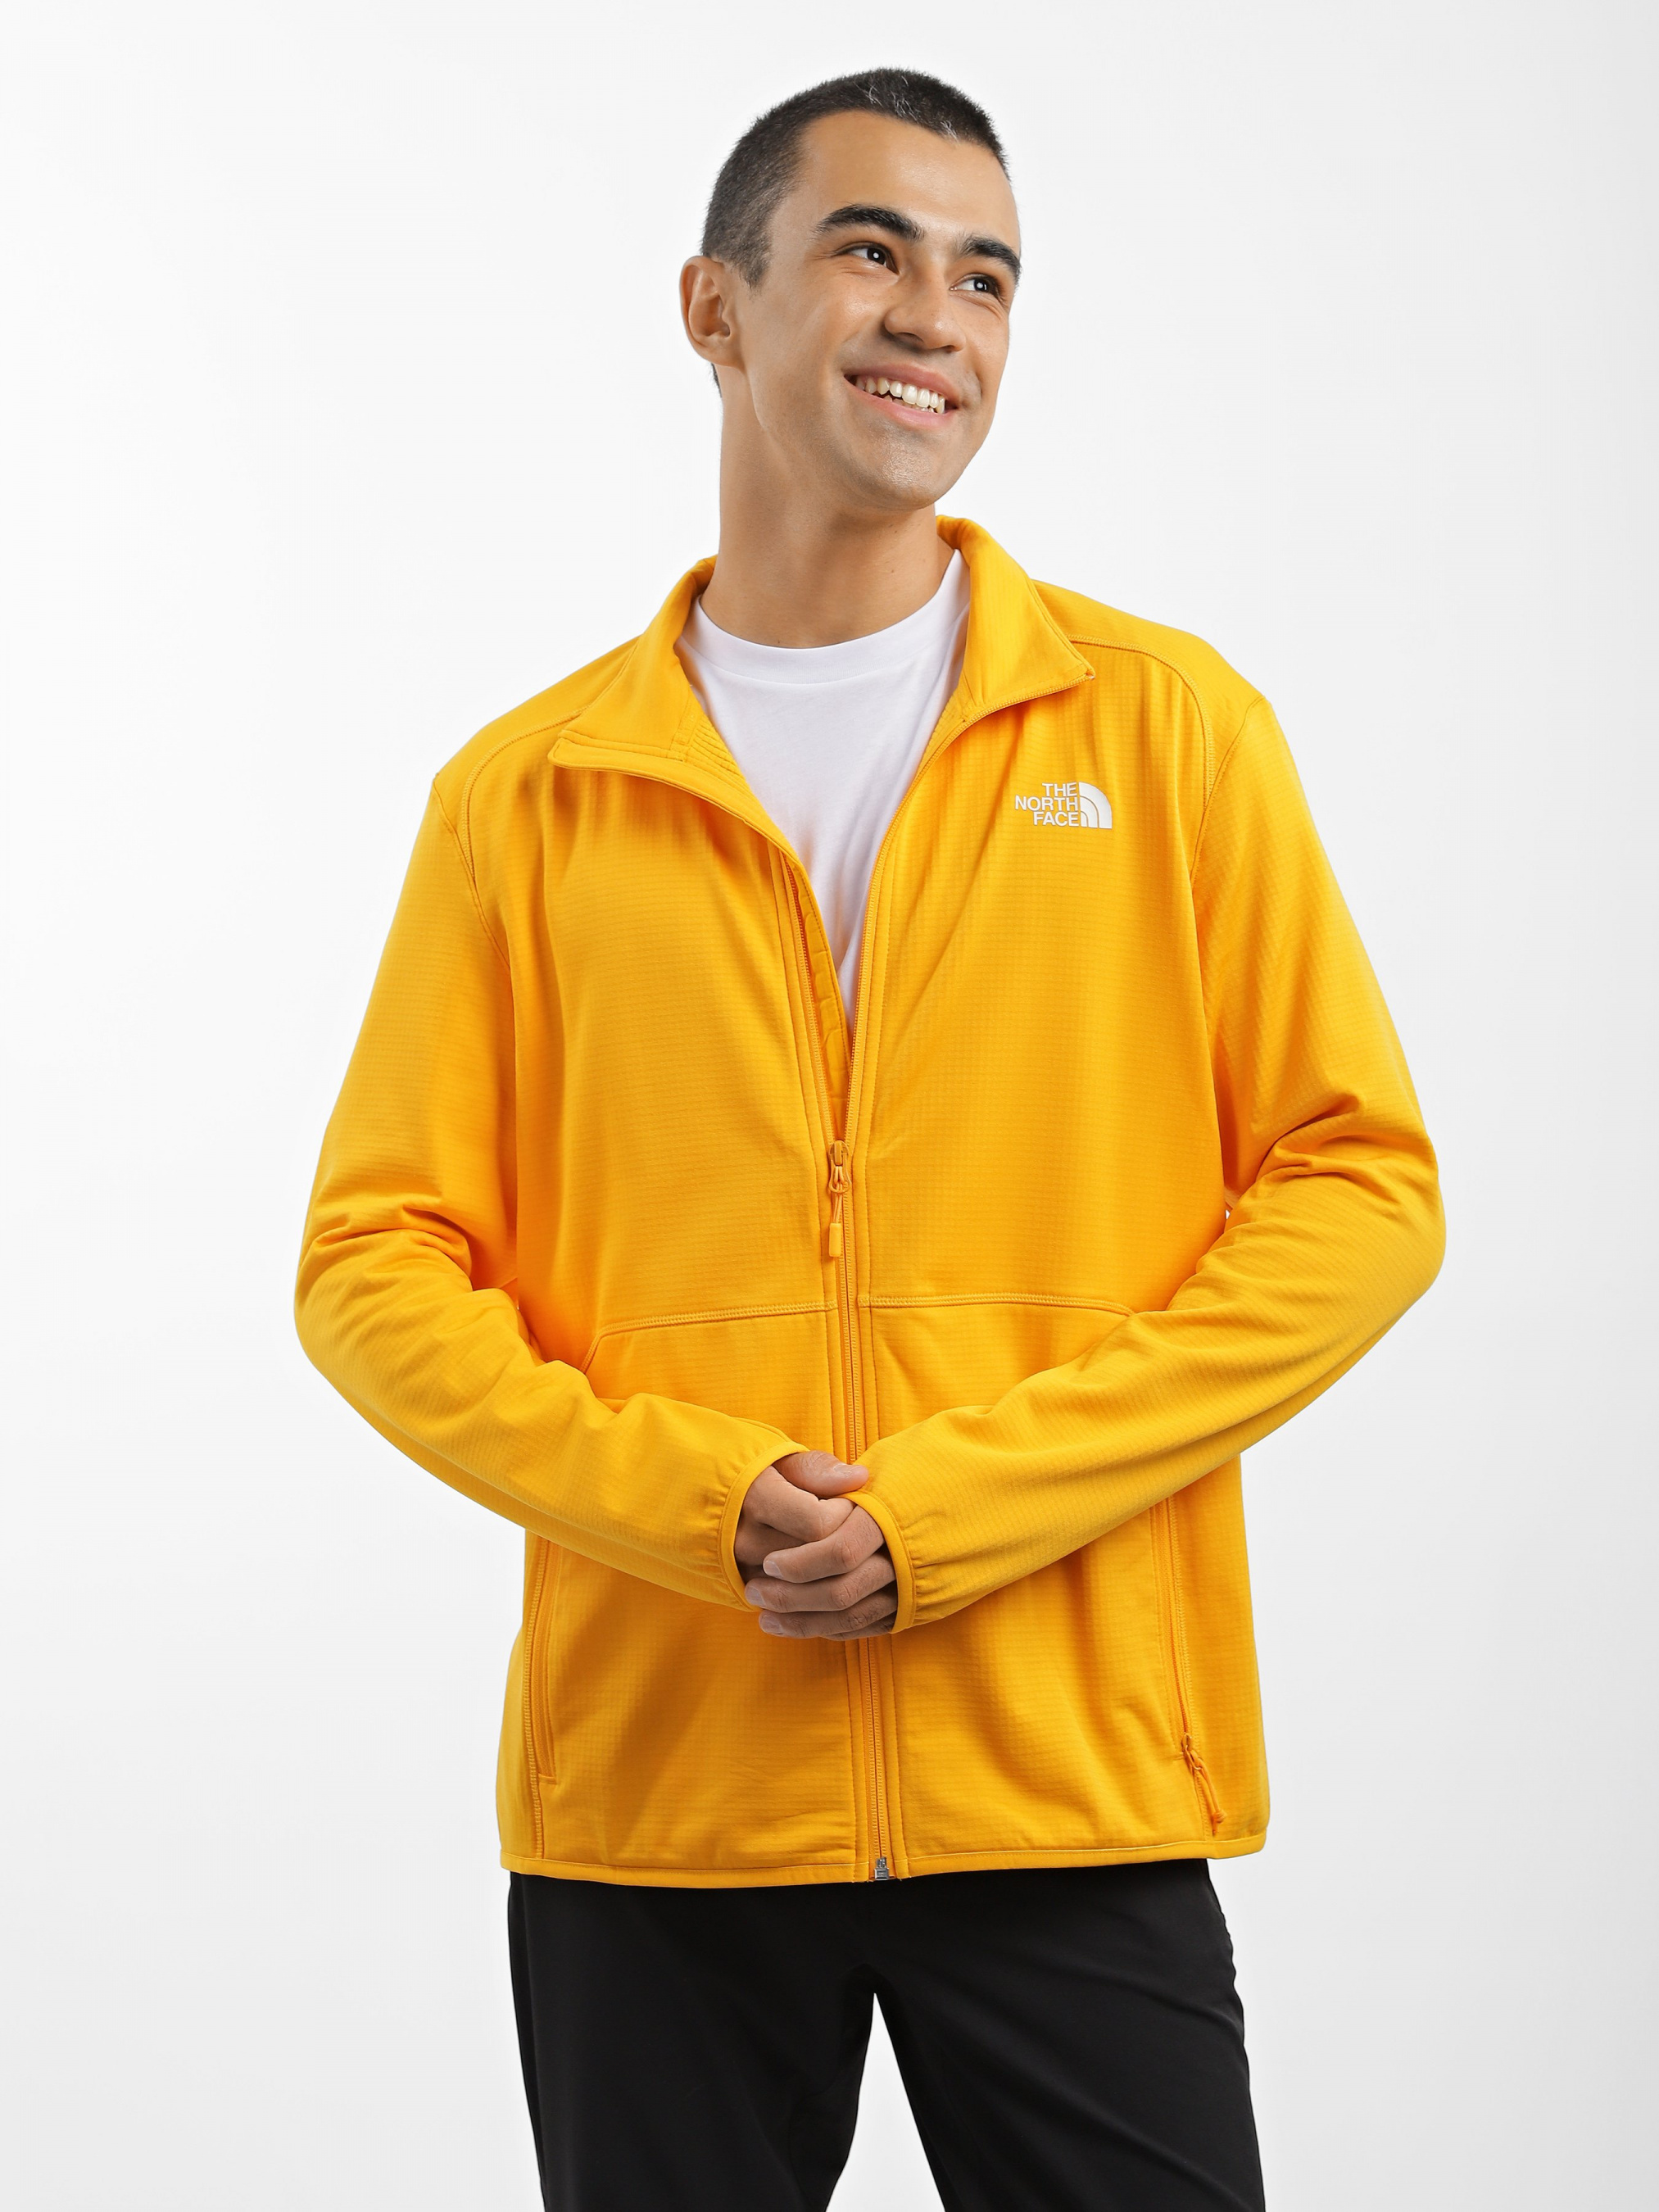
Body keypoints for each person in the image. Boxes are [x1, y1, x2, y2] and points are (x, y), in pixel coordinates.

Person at [296, 66, 1444, 2212]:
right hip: (666, 1803)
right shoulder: (525, 797)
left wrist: (958, 1503)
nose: (938, 314)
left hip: (1064, 1772)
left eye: (986, 276)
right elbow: (375, 1261)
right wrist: (693, 1503)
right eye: (870, 249)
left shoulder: (1167, 733)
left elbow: (1358, 1188)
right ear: (712, 310)